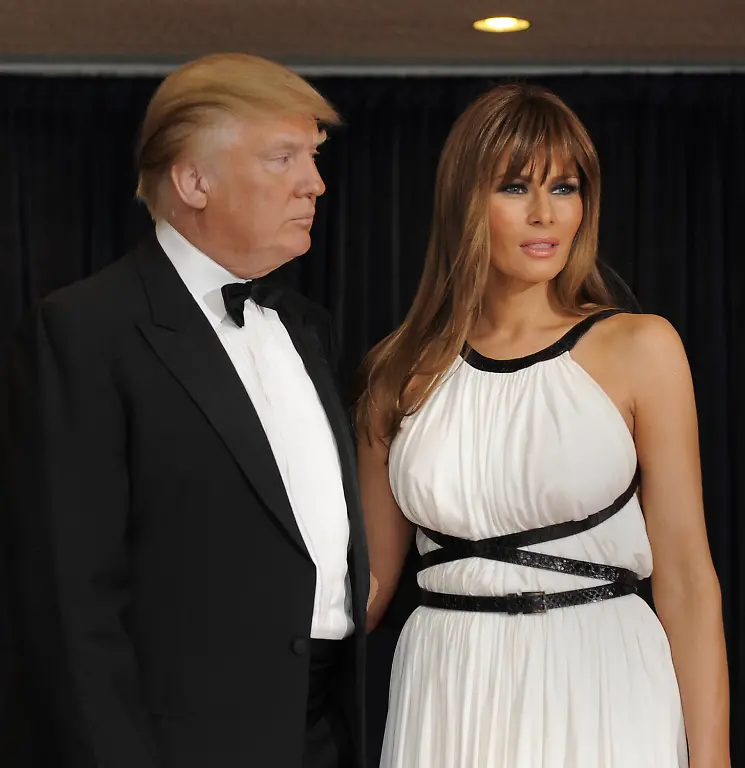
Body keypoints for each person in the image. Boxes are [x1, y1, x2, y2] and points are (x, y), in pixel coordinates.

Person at [1, 53, 368, 768]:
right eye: (283, 157)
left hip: (323, 735)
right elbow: (68, 603)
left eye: (314, 157)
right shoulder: (84, 330)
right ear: (194, 180)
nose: (315, 183)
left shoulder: (307, 327)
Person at [356, 84, 730, 768]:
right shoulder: (399, 372)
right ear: (465, 202)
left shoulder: (638, 348)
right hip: (448, 685)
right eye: (514, 186)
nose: (543, 214)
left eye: (564, 187)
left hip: (599, 679)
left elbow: (684, 576)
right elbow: (364, 592)